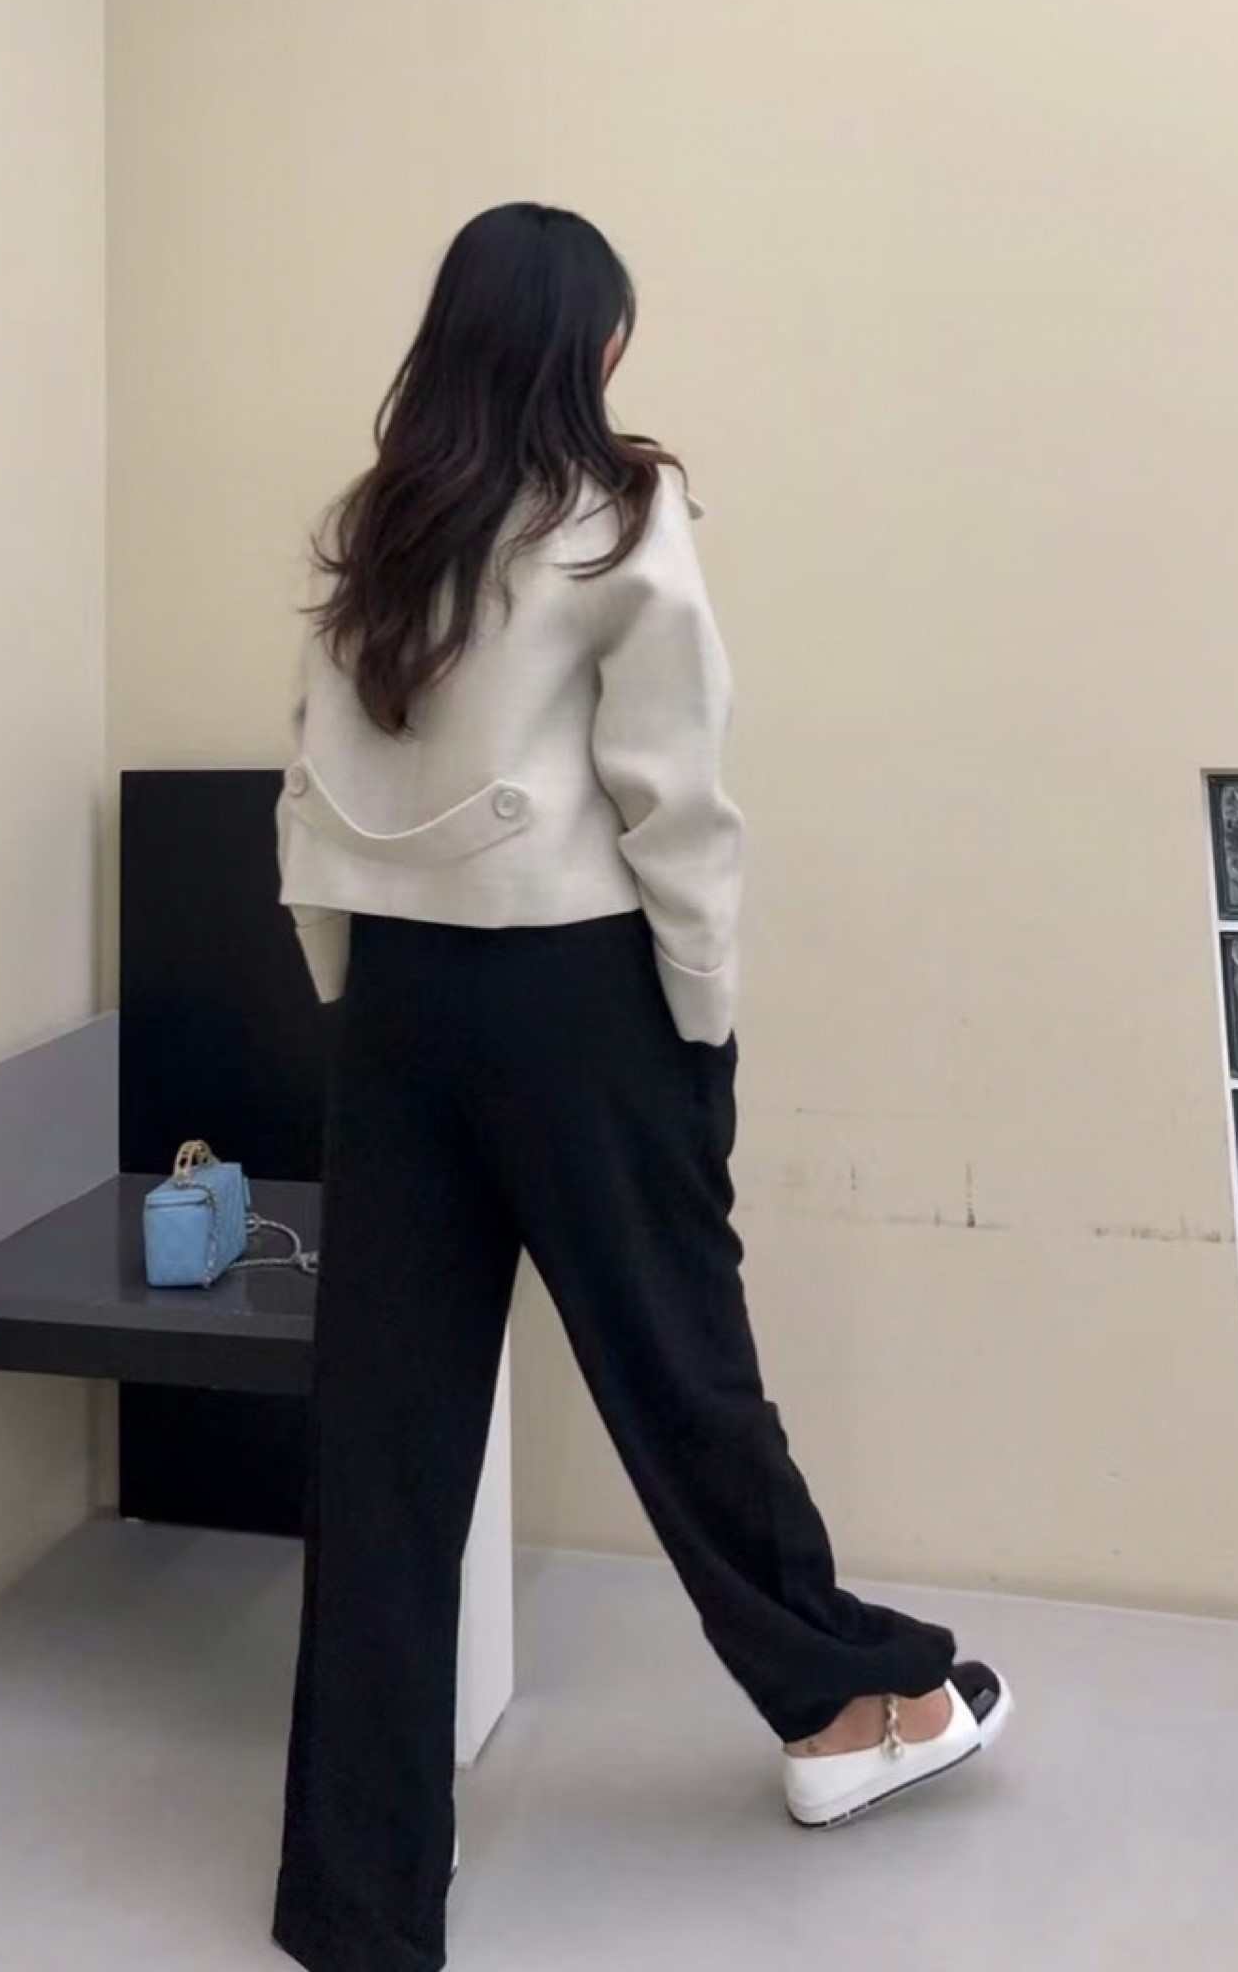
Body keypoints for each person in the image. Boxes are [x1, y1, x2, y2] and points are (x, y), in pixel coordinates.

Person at [272, 204, 1011, 1972]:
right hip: (578, 995)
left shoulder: (380, 523)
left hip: (397, 1006)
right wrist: (704, 1022)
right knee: (684, 1374)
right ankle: (840, 1711)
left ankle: (356, 1905)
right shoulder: (619, 512)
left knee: (382, 1442)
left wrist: (349, 977)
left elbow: (311, 772)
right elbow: (676, 794)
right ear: (586, 344)